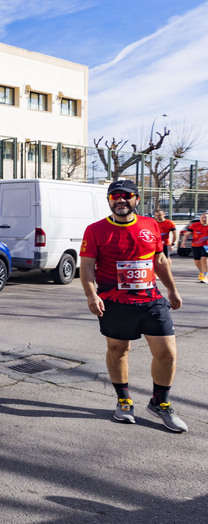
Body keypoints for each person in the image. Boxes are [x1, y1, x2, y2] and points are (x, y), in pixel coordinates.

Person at [80, 179, 186, 433]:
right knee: (118, 350)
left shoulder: (150, 225)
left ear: (137, 199)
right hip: (114, 302)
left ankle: (159, 403)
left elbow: (160, 260)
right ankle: (124, 401)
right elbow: (86, 267)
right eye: (115, 196)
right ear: (109, 200)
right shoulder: (95, 230)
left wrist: (172, 289)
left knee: (167, 352)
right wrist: (91, 295)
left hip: (151, 300)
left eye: (127, 195)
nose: (120, 199)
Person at [180, 213, 208, 282]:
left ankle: (205, 276)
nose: (204, 219)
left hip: (206, 246)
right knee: (197, 261)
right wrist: (183, 242)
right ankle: (201, 271)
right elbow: (187, 235)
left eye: (206, 218)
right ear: (200, 219)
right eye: (203, 218)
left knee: (204, 259)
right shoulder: (194, 225)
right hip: (196, 245)